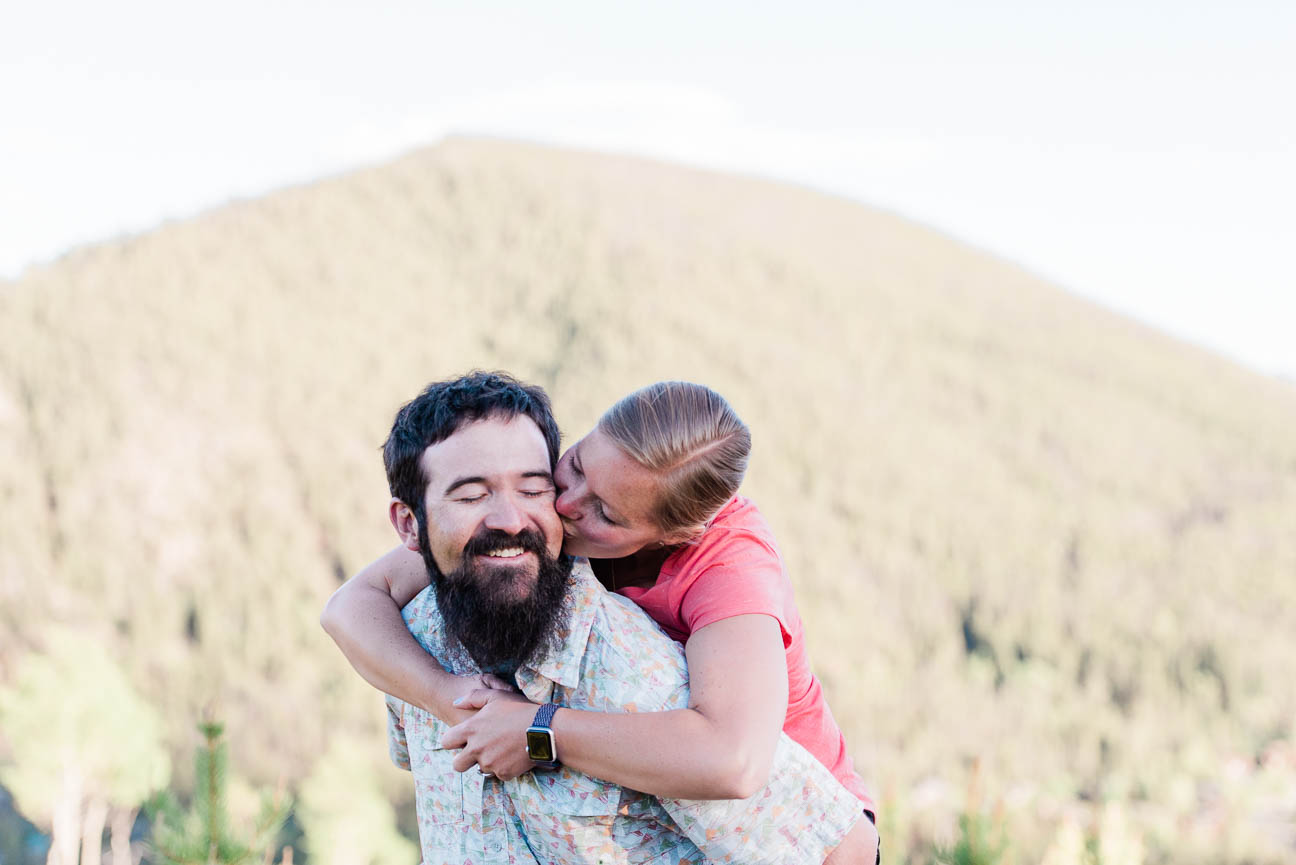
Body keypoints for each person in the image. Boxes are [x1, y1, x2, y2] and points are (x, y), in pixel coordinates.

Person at [367, 371, 870, 863]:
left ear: (670, 536)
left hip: (801, 808)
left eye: (605, 514)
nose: (564, 504)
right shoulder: (520, 533)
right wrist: (444, 697)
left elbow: (735, 762)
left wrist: (538, 730)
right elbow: (357, 602)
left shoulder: (725, 576)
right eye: (575, 469)